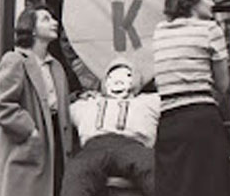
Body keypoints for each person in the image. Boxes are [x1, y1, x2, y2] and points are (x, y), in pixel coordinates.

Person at [152, 0, 230, 196]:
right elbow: (223, 84)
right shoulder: (209, 30)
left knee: (174, 186)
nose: (213, 3)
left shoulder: (159, 31)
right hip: (200, 119)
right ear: (191, 0)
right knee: (210, 185)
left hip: (168, 121)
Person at [0, 5, 73, 196]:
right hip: (27, 145)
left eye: (53, 18)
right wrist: (30, 130)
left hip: (55, 145)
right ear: (31, 29)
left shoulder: (56, 66)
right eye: (46, 19)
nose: (54, 23)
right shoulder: (15, 60)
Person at [63, 58, 160, 196]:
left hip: (133, 145)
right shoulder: (89, 103)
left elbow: (173, 98)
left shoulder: (147, 101)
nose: (118, 81)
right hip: (94, 147)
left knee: (153, 166)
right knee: (77, 170)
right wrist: (77, 95)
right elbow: (60, 107)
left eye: (126, 76)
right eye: (112, 77)